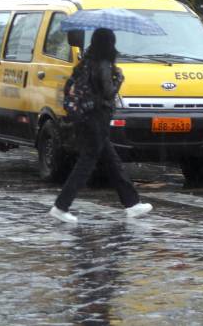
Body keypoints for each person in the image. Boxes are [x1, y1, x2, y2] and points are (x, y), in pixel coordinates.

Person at [49, 28, 152, 223]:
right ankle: (61, 206)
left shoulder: (87, 61)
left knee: (112, 161)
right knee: (86, 163)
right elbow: (107, 93)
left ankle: (132, 203)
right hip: (97, 118)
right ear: (109, 44)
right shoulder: (104, 64)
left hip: (86, 117)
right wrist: (119, 79)